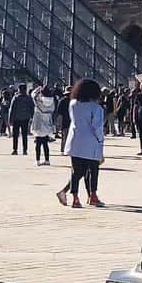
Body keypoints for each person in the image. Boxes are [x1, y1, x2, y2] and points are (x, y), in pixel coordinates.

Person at [61, 78, 105, 208]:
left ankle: (75, 198)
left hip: (75, 141)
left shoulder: (73, 104)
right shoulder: (97, 108)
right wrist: (101, 140)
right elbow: (97, 127)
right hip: (91, 143)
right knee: (93, 170)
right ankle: (93, 195)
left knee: (75, 171)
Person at [30, 84, 56, 166]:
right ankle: (47, 160)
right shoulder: (52, 102)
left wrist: (38, 88)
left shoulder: (39, 101)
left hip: (38, 124)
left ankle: (37, 160)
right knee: (45, 144)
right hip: (47, 124)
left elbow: (32, 94)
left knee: (38, 144)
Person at [7, 83, 34, 156]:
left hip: (16, 119)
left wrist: (10, 119)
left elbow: (11, 109)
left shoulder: (16, 97)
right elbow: (32, 108)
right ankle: (25, 150)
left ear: (19, 89)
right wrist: (32, 117)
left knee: (15, 135)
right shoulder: (29, 98)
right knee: (24, 135)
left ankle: (15, 150)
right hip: (26, 119)